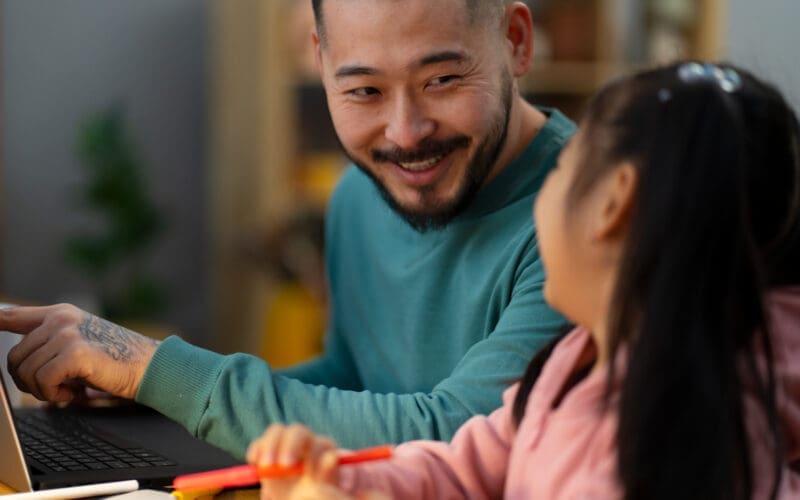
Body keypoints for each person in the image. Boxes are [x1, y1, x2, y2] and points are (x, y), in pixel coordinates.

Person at [0, 0, 575, 458]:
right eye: (364, 91)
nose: (405, 133)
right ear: (320, 59)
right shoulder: (362, 193)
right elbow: (356, 379)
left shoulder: (586, 215)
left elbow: (463, 434)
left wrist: (158, 369)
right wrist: (146, 394)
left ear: (515, 40)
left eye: (443, 79)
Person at [245, 62, 800, 499]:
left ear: (613, 203)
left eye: (560, 172)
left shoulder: (657, 450)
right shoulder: (578, 357)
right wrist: (352, 480)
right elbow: (467, 466)